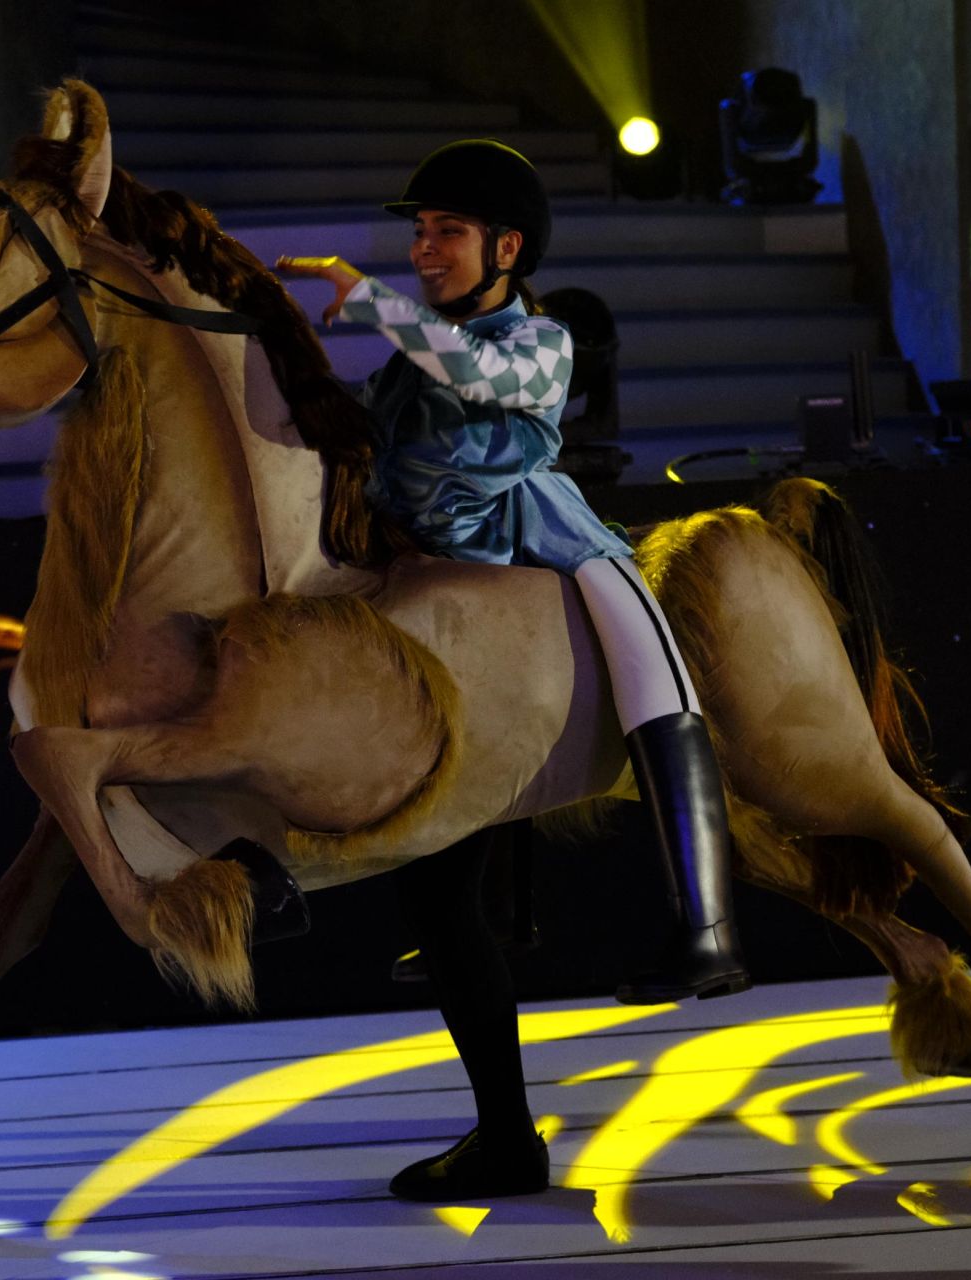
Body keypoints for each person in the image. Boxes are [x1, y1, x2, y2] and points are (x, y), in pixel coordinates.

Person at [277, 140, 748, 1200]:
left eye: (444, 231)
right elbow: (369, 430)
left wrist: (362, 298)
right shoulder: (413, 351)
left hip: (536, 541)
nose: (422, 247)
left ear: (506, 248)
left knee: (651, 670)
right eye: (419, 231)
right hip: (425, 568)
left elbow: (473, 374)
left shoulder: (541, 337)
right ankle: (480, 1016)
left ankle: (705, 926)